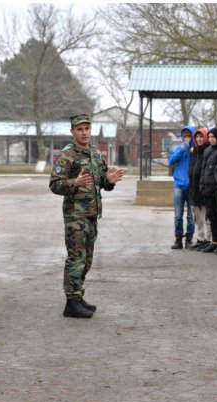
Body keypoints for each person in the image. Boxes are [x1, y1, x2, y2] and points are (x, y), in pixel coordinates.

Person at [49, 113, 125, 318]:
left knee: (87, 260)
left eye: (87, 129)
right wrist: (75, 183)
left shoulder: (95, 153)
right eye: (80, 129)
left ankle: (78, 296)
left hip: (92, 215)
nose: (84, 133)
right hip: (76, 217)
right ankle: (71, 302)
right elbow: (54, 184)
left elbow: (102, 180)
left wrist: (108, 180)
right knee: (76, 259)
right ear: (72, 132)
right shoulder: (67, 155)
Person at [199, 128, 217, 253]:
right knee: (211, 216)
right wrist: (202, 185)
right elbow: (203, 169)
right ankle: (214, 241)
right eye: (209, 137)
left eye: (213, 137)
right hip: (207, 188)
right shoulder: (207, 150)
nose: (211, 139)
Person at [168, 125, 196, 249]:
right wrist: (182, 149)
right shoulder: (179, 148)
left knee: (191, 216)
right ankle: (178, 239)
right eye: (184, 135)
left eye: (189, 135)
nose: (187, 137)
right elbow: (171, 161)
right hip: (179, 185)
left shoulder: (195, 150)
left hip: (191, 186)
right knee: (178, 215)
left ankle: (189, 239)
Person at [188, 128, 211, 250]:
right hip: (194, 188)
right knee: (198, 217)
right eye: (197, 137)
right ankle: (200, 238)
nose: (199, 139)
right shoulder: (194, 150)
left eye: (201, 136)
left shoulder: (208, 150)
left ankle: (208, 239)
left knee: (206, 216)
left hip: (204, 187)